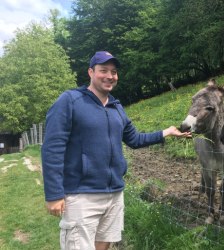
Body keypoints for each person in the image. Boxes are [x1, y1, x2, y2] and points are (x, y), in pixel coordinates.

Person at [41, 51, 191, 250]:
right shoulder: (70, 101)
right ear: (91, 72)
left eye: (114, 72)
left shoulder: (116, 107)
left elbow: (135, 139)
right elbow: (52, 148)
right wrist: (54, 194)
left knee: (103, 247)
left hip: (114, 195)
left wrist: (167, 132)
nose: (110, 76)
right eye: (103, 70)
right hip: (82, 195)